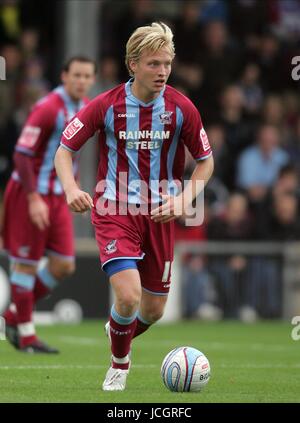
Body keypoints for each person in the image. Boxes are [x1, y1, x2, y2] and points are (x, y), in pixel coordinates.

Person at [55, 22, 214, 391]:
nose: (162, 72)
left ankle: (117, 329)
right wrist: (70, 189)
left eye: (167, 64)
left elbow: (206, 161)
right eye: (154, 64)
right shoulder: (107, 104)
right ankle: (119, 367)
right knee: (128, 295)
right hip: (115, 210)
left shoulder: (181, 108)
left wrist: (183, 199)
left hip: (160, 214)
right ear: (133, 64)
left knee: (153, 311)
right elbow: (65, 150)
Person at [1, 56, 96, 353]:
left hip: (57, 197)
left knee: (64, 264)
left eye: (86, 76)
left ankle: (13, 315)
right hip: (31, 194)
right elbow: (21, 155)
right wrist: (32, 199)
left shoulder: (86, 108)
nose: (81, 81)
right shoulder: (48, 108)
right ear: (64, 76)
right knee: (26, 264)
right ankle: (26, 336)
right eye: (76, 75)